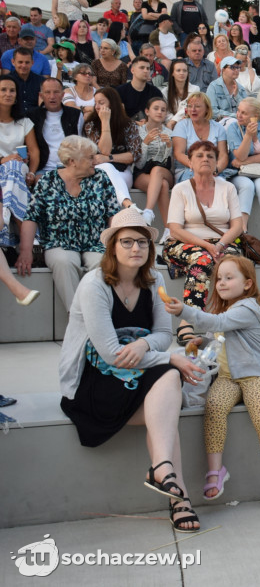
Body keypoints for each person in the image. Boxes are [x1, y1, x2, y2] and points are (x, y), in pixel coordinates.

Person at [58, 207, 203, 531]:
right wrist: (167, 357)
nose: (136, 248)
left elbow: (164, 335)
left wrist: (143, 345)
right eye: (127, 241)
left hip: (136, 372)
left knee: (168, 383)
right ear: (113, 247)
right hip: (95, 381)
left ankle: (163, 470)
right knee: (168, 391)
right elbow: (111, 355)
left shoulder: (155, 280)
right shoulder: (94, 285)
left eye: (142, 241)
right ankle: (179, 499)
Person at [163, 255, 260, 511]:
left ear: (247, 284)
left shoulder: (247, 308)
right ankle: (216, 470)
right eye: (219, 278)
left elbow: (219, 324)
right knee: (214, 408)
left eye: (229, 278)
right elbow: (220, 338)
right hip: (228, 378)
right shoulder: (226, 311)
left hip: (257, 375)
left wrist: (185, 311)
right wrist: (202, 342)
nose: (221, 283)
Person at [16, 136, 120, 309]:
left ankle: (99, 315)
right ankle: (77, 317)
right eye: (90, 157)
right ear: (72, 161)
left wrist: (117, 243)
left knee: (103, 263)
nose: (95, 161)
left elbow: (113, 214)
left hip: (95, 242)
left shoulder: (100, 178)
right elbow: (32, 217)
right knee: (64, 263)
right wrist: (26, 252)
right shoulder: (48, 181)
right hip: (58, 242)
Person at [163, 140, 244, 345]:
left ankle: (230, 320)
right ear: (190, 163)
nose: (205, 159)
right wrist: (207, 246)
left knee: (231, 264)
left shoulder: (228, 188)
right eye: (199, 155)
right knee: (203, 260)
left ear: (216, 162)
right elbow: (175, 229)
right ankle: (187, 321)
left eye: (210, 156)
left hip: (222, 242)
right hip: (184, 242)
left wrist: (219, 245)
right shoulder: (181, 189)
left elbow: (237, 226)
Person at [225, 98, 260, 233]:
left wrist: (245, 162)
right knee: (247, 185)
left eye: (244, 113)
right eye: (238, 111)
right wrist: (248, 135)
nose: (239, 115)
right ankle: (242, 230)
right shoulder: (233, 128)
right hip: (238, 172)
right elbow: (240, 155)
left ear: (256, 115)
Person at [0, 75, 37, 249]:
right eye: (3, 90)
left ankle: (5, 216)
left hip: (19, 169)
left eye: (12, 90)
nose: (8, 94)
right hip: (2, 168)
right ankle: (27, 235)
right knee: (12, 169)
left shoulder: (24, 122)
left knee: (14, 168)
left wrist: (32, 172)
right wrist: (3, 159)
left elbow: (34, 151)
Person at [132, 97, 174, 241]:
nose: (159, 112)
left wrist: (168, 147)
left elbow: (168, 163)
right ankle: (168, 230)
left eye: (163, 110)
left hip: (164, 171)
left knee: (157, 170)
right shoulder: (138, 131)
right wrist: (145, 143)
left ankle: (148, 211)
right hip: (143, 172)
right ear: (147, 111)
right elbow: (139, 164)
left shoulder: (170, 133)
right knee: (163, 185)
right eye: (156, 108)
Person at [171, 92, 229, 182]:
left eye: (197, 106)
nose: (193, 109)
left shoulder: (218, 127)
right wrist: (199, 167)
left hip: (212, 170)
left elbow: (223, 155)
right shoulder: (181, 125)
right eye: (190, 106)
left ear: (207, 109)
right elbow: (178, 154)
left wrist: (216, 169)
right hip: (188, 169)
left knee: (220, 184)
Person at [206, 56, 249, 122]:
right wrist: (234, 116)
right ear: (223, 69)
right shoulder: (213, 86)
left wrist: (237, 96)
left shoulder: (241, 88)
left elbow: (247, 110)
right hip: (219, 123)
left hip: (240, 122)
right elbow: (212, 111)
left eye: (238, 67)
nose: (236, 70)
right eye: (232, 67)